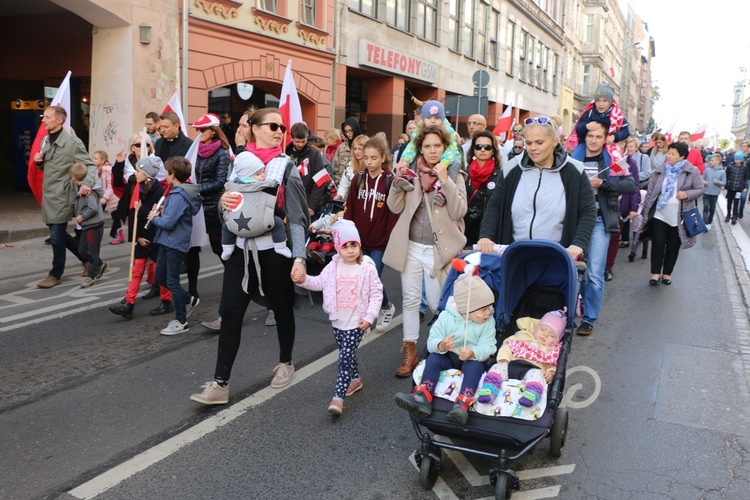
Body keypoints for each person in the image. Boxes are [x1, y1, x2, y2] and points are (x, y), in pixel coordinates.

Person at [190, 108, 309, 404]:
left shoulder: (285, 168)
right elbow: (228, 205)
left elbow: (296, 217)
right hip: (241, 252)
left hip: (274, 252)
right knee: (230, 313)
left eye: (281, 127)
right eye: (273, 126)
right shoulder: (237, 164)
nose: (280, 131)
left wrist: (299, 257)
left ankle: (285, 362)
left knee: (281, 308)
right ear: (254, 129)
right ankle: (220, 383)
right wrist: (222, 203)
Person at [384, 126, 467, 378]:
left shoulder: (454, 174)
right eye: (427, 146)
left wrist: (446, 180)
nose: (432, 151)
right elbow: (394, 207)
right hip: (410, 246)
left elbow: (459, 211)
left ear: (445, 149)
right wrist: (398, 182)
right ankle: (410, 352)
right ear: (419, 148)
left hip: (436, 250)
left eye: (437, 146)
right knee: (410, 300)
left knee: (435, 303)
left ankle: (442, 348)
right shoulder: (411, 174)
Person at [291, 220, 383, 415]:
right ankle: (355, 379)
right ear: (338, 248)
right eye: (345, 246)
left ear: (359, 245)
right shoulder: (333, 267)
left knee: (343, 359)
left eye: (354, 245)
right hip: (337, 321)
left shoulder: (367, 268)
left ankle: (338, 398)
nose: (350, 250)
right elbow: (319, 283)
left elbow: (376, 293)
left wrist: (370, 317)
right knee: (347, 353)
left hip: (356, 323)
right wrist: (304, 279)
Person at [477, 117, 596, 263]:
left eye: (539, 142)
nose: (533, 148)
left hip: (557, 256)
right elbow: (495, 204)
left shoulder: (574, 171)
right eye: (528, 143)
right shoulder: (511, 168)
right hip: (515, 254)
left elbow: (588, 211)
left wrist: (577, 245)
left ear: (554, 141)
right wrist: (486, 236)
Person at [394, 271, 496, 424]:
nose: (489, 312)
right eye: (484, 309)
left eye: (490, 307)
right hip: (449, 357)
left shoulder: (488, 322)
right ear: (466, 309)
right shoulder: (446, 318)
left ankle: (463, 403)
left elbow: (489, 346)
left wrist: (473, 352)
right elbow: (431, 341)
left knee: (475, 366)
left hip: (471, 360)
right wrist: (441, 345)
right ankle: (424, 395)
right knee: (434, 357)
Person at [571, 122, 636, 336]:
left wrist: (604, 183)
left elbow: (630, 185)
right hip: (575, 221)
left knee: (594, 274)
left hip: (599, 221)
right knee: (570, 268)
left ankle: (589, 318)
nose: (593, 140)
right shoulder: (573, 158)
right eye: (590, 135)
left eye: (598, 136)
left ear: (605, 138)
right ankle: (568, 312)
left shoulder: (612, 160)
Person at [34, 105, 96, 289]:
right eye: (43, 117)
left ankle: (55, 274)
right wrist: (39, 162)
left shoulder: (73, 142)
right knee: (59, 234)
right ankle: (90, 261)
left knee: (56, 236)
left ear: (59, 120)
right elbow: (46, 166)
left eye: (46, 117)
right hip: (49, 194)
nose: (43, 120)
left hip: (62, 195)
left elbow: (90, 165)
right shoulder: (45, 140)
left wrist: (86, 184)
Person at [343, 137, 399, 332]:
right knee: (361, 279)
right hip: (359, 241)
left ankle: (384, 307)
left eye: (373, 158)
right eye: (366, 157)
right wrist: (348, 237)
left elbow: (394, 213)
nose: (369, 162)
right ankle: (366, 318)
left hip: (380, 242)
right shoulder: (358, 179)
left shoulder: (391, 181)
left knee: (371, 279)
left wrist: (390, 239)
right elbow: (349, 208)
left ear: (383, 158)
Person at [147, 157, 203, 335]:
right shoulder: (175, 192)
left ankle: (181, 320)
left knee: (171, 280)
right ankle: (188, 298)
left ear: (172, 175)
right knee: (160, 277)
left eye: (166, 171)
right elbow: (172, 215)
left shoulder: (180, 194)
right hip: (167, 240)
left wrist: (154, 218)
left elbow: (169, 222)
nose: (165, 174)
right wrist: (162, 212)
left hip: (174, 242)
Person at [108, 157, 169, 320]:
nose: (135, 173)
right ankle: (129, 303)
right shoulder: (138, 188)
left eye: (138, 171)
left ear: (147, 174)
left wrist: (141, 209)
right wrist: (138, 237)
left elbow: (153, 216)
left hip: (155, 237)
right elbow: (134, 217)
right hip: (141, 236)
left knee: (159, 271)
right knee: (136, 270)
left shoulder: (159, 191)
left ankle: (167, 299)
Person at [639, 142, 705, 286]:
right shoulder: (661, 169)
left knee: (673, 245)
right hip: (660, 214)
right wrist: (646, 210)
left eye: (673, 154)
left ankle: (667, 274)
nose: (669, 156)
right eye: (669, 153)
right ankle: (655, 273)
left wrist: (686, 194)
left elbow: (700, 189)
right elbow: (651, 190)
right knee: (658, 243)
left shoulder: (691, 171)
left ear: (682, 156)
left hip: (679, 216)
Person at [476, 309, 566, 409]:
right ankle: (489, 390)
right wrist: (504, 359)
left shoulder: (551, 350)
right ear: (535, 329)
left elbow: (552, 364)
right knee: (498, 367)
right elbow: (508, 345)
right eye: (543, 330)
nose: (545, 335)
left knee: (538, 376)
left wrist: (551, 373)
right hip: (513, 363)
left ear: (556, 340)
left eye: (551, 335)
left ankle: (531, 395)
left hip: (533, 369)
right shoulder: (522, 335)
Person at [187, 113, 230, 308]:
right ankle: (192, 291)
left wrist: (195, 189)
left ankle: (235, 281)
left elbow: (220, 182)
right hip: (196, 204)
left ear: (213, 131)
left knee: (218, 248)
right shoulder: (195, 149)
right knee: (192, 247)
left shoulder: (222, 152)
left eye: (203, 130)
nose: (199, 133)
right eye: (197, 129)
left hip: (213, 206)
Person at [220, 151, 291, 260]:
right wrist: (282, 216)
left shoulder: (232, 186)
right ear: (246, 176)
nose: (263, 176)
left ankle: (227, 248)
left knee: (226, 226)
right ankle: (280, 246)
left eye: (263, 172)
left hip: (236, 224)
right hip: (262, 223)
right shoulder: (263, 187)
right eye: (258, 174)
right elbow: (271, 205)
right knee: (278, 223)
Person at [70, 163, 108, 288]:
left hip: (93, 225)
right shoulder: (80, 188)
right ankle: (100, 264)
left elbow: (93, 208)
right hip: (87, 225)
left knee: (92, 252)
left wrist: (82, 216)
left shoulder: (88, 192)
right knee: (82, 250)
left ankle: (91, 276)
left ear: (74, 178)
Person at [464, 131, 503, 246]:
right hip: (466, 229)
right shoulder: (464, 174)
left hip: (489, 232)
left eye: (487, 147)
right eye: (478, 146)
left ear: (493, 150)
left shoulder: (500, 175)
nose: (482, 150)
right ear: (473, 149)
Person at [285, 122, 329, 219]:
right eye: (297, 141)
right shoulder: (285, 153)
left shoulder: (315, 154)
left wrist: (312, 206)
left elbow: (320, 182)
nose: (300, 144)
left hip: (308, 203)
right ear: (291, 137)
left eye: (303, 141)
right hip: (288, 204)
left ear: (307, 137)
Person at [569, 83, 631, 148]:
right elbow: (578, 128)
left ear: (610, 102)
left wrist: (614, 136)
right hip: (586, 146)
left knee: (612, 158)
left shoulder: (617, 115)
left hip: (607, 146)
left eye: (605, 101)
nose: (601, 104)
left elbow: (626, 131)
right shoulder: (590, 112)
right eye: (598, 100)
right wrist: (586, 127)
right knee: (576, 156)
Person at [92, 150, 123, 245]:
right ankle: (94, 234)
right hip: (102, 197)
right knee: (96, 215)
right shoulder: (98, 170)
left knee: (115, 217)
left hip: (110, 197)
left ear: (102, 160)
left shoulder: (107, 170)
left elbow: (111, 186)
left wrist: (105, 197)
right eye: (93, 158)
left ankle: (120, 236)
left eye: (95, 159)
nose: (93, 160)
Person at [335, 134, 368, 200]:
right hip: (353, 200)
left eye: (360, 149)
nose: (356, 152)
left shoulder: (371, 165)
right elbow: (344, 184)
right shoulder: (350, 165)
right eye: (355, 149)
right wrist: (340, 195)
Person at [702, 153, 726, 229]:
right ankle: (705, 223)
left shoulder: (722, 172)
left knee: (712, 208)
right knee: (705, 207)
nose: (710, 162)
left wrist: (718, 182)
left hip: (715, 193)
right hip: (706, 191)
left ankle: (709, 222)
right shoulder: (707, 170)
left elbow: (724, 182)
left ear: (718, 161)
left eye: (712, 160)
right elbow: (702, 178)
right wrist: (704, 182)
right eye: (710, 160)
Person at [723, 152, 747, 224]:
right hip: (731, 187)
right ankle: (728, 215)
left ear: (742, 160)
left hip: (739, 188)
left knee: (736, 202)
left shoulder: (744, 168)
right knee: (729, 202)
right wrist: (725, 185)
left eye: (738, 159)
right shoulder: (730, 167)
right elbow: (726, 176)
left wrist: (745, 187)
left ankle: (734, 216)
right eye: (736, 159)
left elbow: (745, 178)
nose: (737, 160)